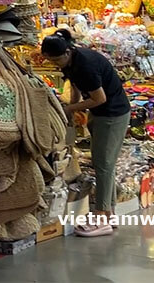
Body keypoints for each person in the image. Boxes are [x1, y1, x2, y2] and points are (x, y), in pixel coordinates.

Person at [41, 28, 130, 237]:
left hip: (112, 114)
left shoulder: (86, 65)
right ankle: (109, 214)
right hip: (100, 114)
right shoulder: (71, 61)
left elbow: (100, 98)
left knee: (103, 165)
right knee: (104, 164)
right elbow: (75, 87)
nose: (55, 65)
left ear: (67, 52)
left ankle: (101, 218)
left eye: (56, 60)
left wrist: (70, 108)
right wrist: (72, 110)